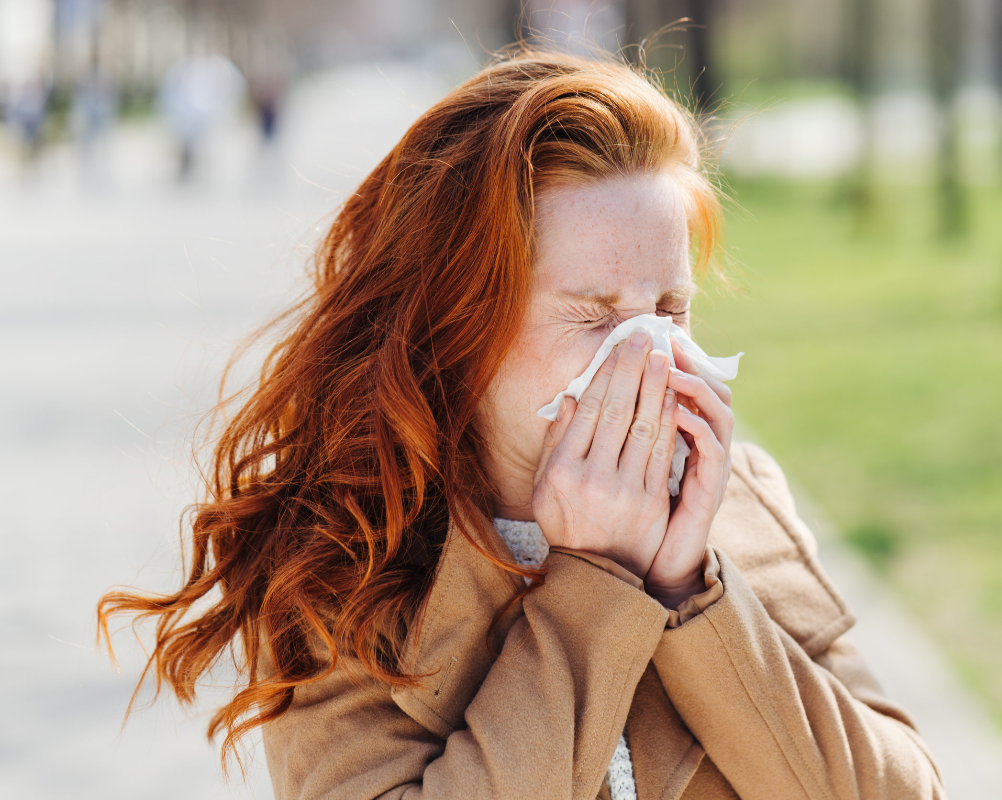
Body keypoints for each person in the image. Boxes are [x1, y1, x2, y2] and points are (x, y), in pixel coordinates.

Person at [99, 45, 944, 799]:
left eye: (670, 307)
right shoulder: (346, 563)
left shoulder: (739, 504)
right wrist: (596, 582)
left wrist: (690, 592)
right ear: (460, 324)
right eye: (592, 314)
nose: (649, 351)